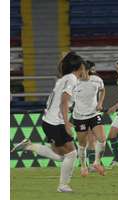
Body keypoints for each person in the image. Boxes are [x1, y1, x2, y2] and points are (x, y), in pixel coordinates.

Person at [11, 52, 86, 192]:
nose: (84, 70)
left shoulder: (63, 78)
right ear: (79, 67)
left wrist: (63, 60)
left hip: (49, 121)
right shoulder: (71, 79)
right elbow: (64, 101)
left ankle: (29, 146)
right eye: (83, 67)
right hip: (55, 123)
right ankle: (63, 186)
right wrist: (66, 123)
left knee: (61, 156)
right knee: (71, 154)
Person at [72, 60, 106, 176]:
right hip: (79, 117)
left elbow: (102, 90)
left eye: (80, 69)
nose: (78, 72)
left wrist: (100, 103)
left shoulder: (97, 80)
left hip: (94, 114)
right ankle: (83, 166)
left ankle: (96, 162)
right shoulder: (74, 83)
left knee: (102, 139)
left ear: (86, 70)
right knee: (82, 144)